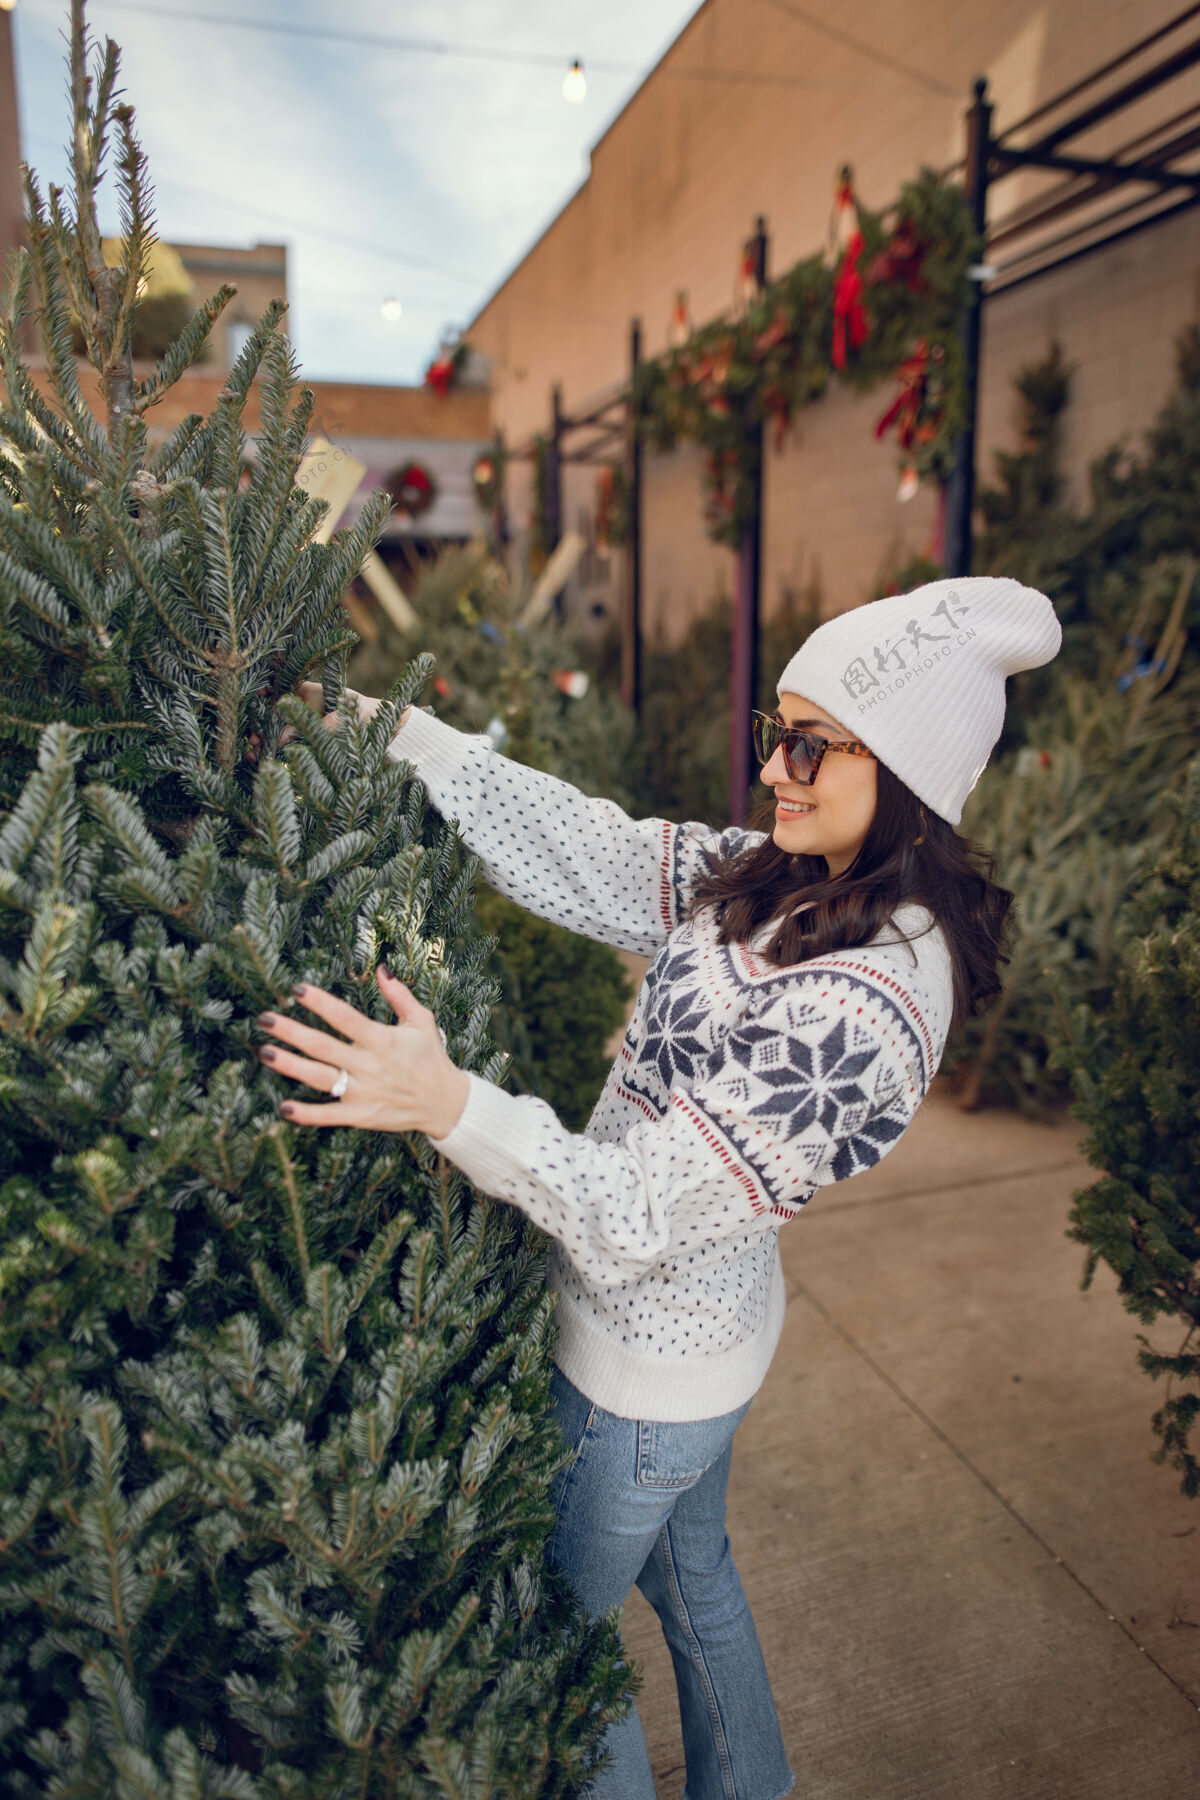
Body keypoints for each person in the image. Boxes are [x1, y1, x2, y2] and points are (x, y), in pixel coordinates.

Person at [258, 575, 1061, 1799]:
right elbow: (592, 848)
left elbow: (638, 1216)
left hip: (639, 1377)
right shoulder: (778, 871)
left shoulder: (871, 1005)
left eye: (808, 743)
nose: (774, 771)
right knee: (696, 1580)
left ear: (903, 771)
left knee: (565, 1658)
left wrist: (449, 1104)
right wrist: (391, 733)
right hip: (713, 1345)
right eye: (773, 734)